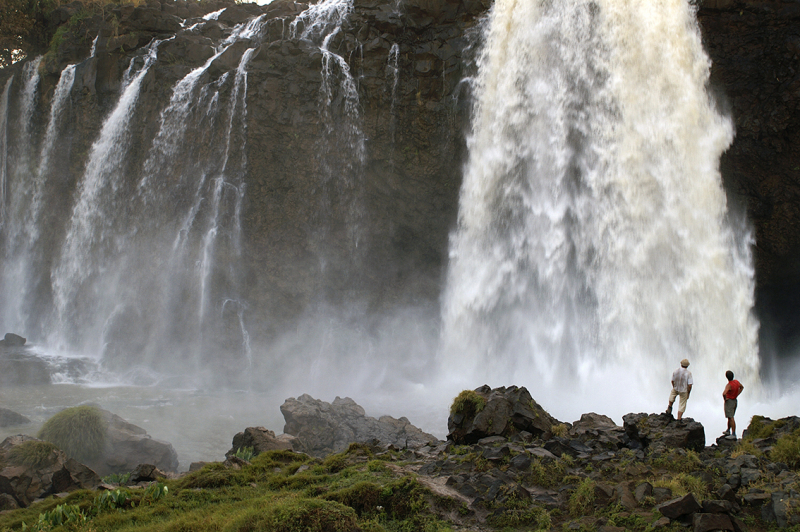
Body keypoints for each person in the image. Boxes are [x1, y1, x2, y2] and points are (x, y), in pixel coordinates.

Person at [722, 370, 744, 439]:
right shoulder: (736, 382)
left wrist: (725, 399)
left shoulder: (729, 385)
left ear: (727, 377)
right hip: (734, 401)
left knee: (731, 418)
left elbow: (724, 393)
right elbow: (742, 387)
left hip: (729, 402)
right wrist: (737, 394)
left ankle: (733, 434)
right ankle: (728, 430)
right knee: (730, 416)